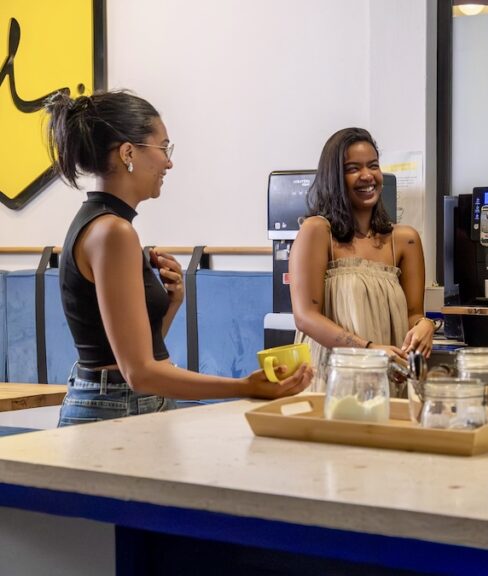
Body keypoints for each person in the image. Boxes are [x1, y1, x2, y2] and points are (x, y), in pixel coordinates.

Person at [45, 90, 312, 427]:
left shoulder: (103, 224)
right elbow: (139, 372)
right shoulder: (114, 232)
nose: (168, 163)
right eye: (163, 148)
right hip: (118, 407)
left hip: (117, 403)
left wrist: (172, 303)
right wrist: (245, 387)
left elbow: (129, 354)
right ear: (128, 152)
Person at [289, 128, 432, 393]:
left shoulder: (405, 239)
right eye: (353, 168)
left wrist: (425, 326)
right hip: (332, 380)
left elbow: (413, 314)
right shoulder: (317, 232)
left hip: (389, 380)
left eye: (373, 166)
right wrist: (369, 351)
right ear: (334, 178)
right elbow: (305, 317)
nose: (367, 176)